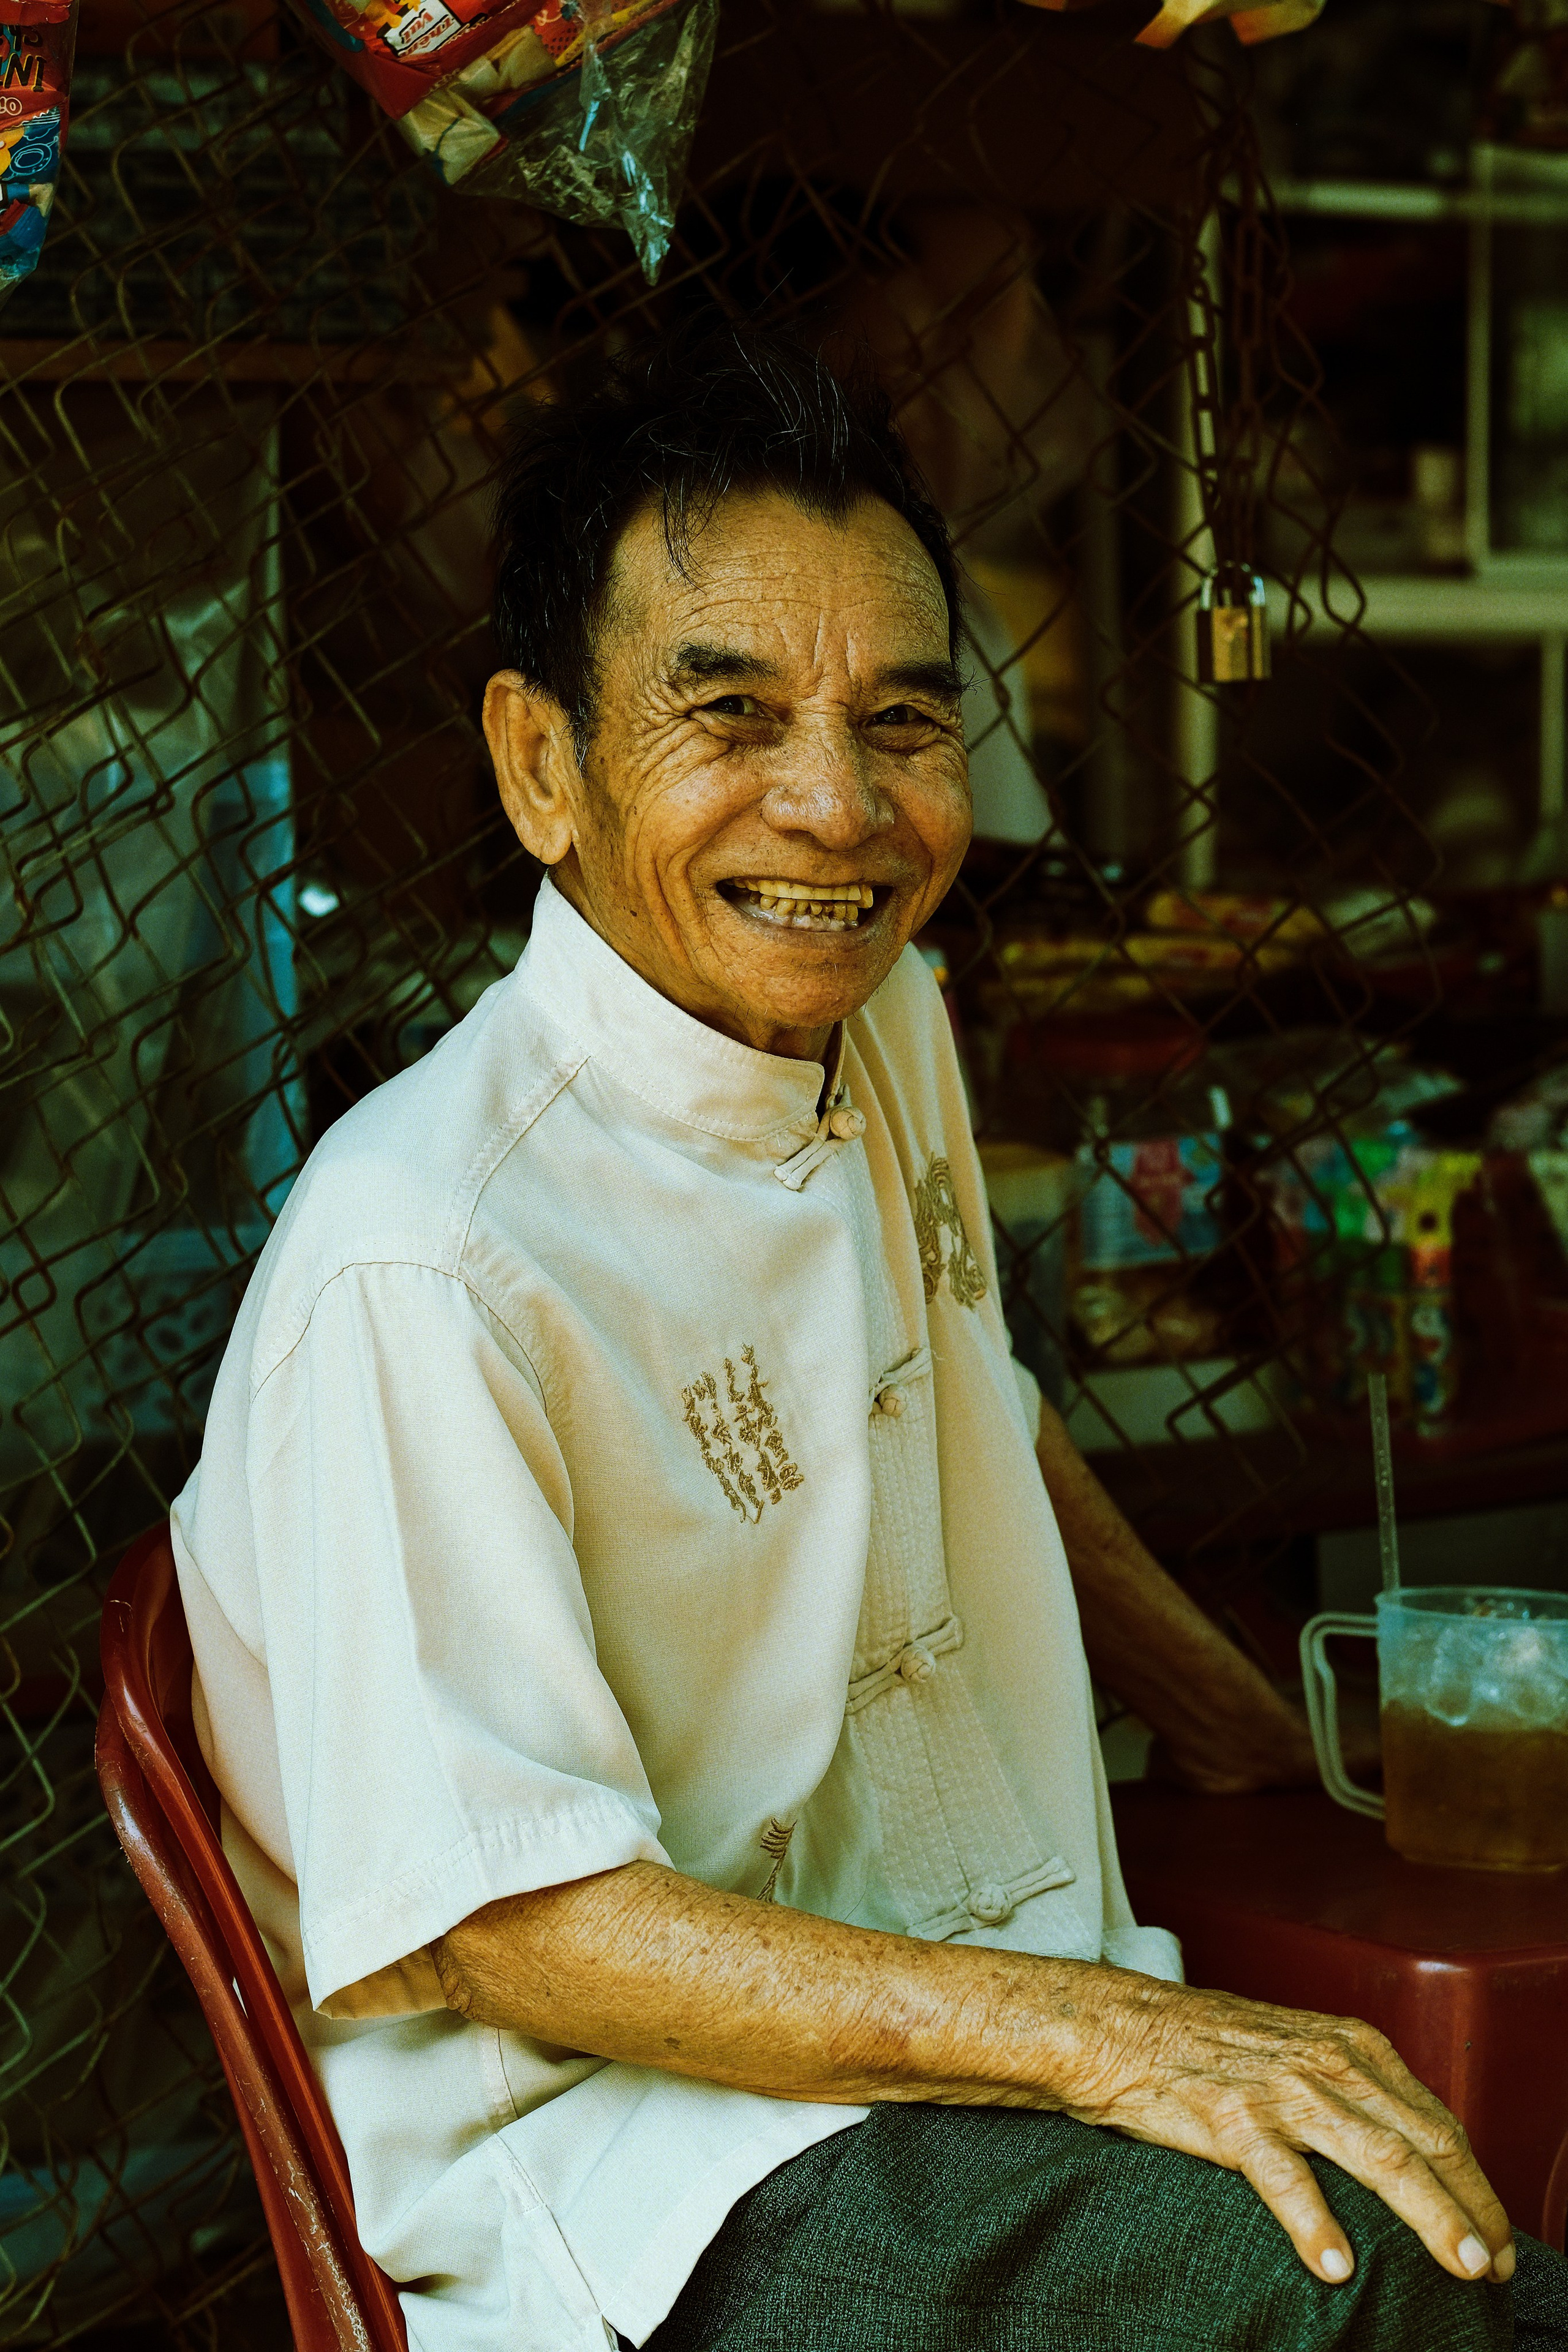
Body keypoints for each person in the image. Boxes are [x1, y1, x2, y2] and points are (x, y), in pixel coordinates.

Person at [171, 325, 1564, 2352]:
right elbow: (517, 1922)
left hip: (971, 2025)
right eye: (727, 717)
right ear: (540, 765)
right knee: (1384, 2288)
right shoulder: (429, 1257)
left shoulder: (869, 1016)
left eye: (903, 722)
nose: (834, 808)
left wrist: (1243, 1717)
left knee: (1452, 2245)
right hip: (663, 2167)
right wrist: (1098, 2043)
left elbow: (964, 1385)